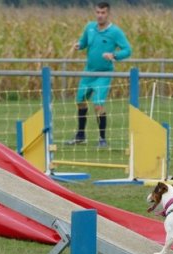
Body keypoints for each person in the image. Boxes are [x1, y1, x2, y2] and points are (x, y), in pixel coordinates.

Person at [66, 2, 132, 147]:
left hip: (104, 74)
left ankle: (102, 139)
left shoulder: (115, 32)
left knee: (98, 105)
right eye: (98, 12)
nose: (100, 15)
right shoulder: (89, 28)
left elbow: (128, 50)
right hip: (88, 73)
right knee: (80, 101)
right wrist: (79, 45)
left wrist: (114, 55)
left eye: (103, 13)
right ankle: (80, 135)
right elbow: (83, 42)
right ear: (95, 13)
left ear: (108, 14)